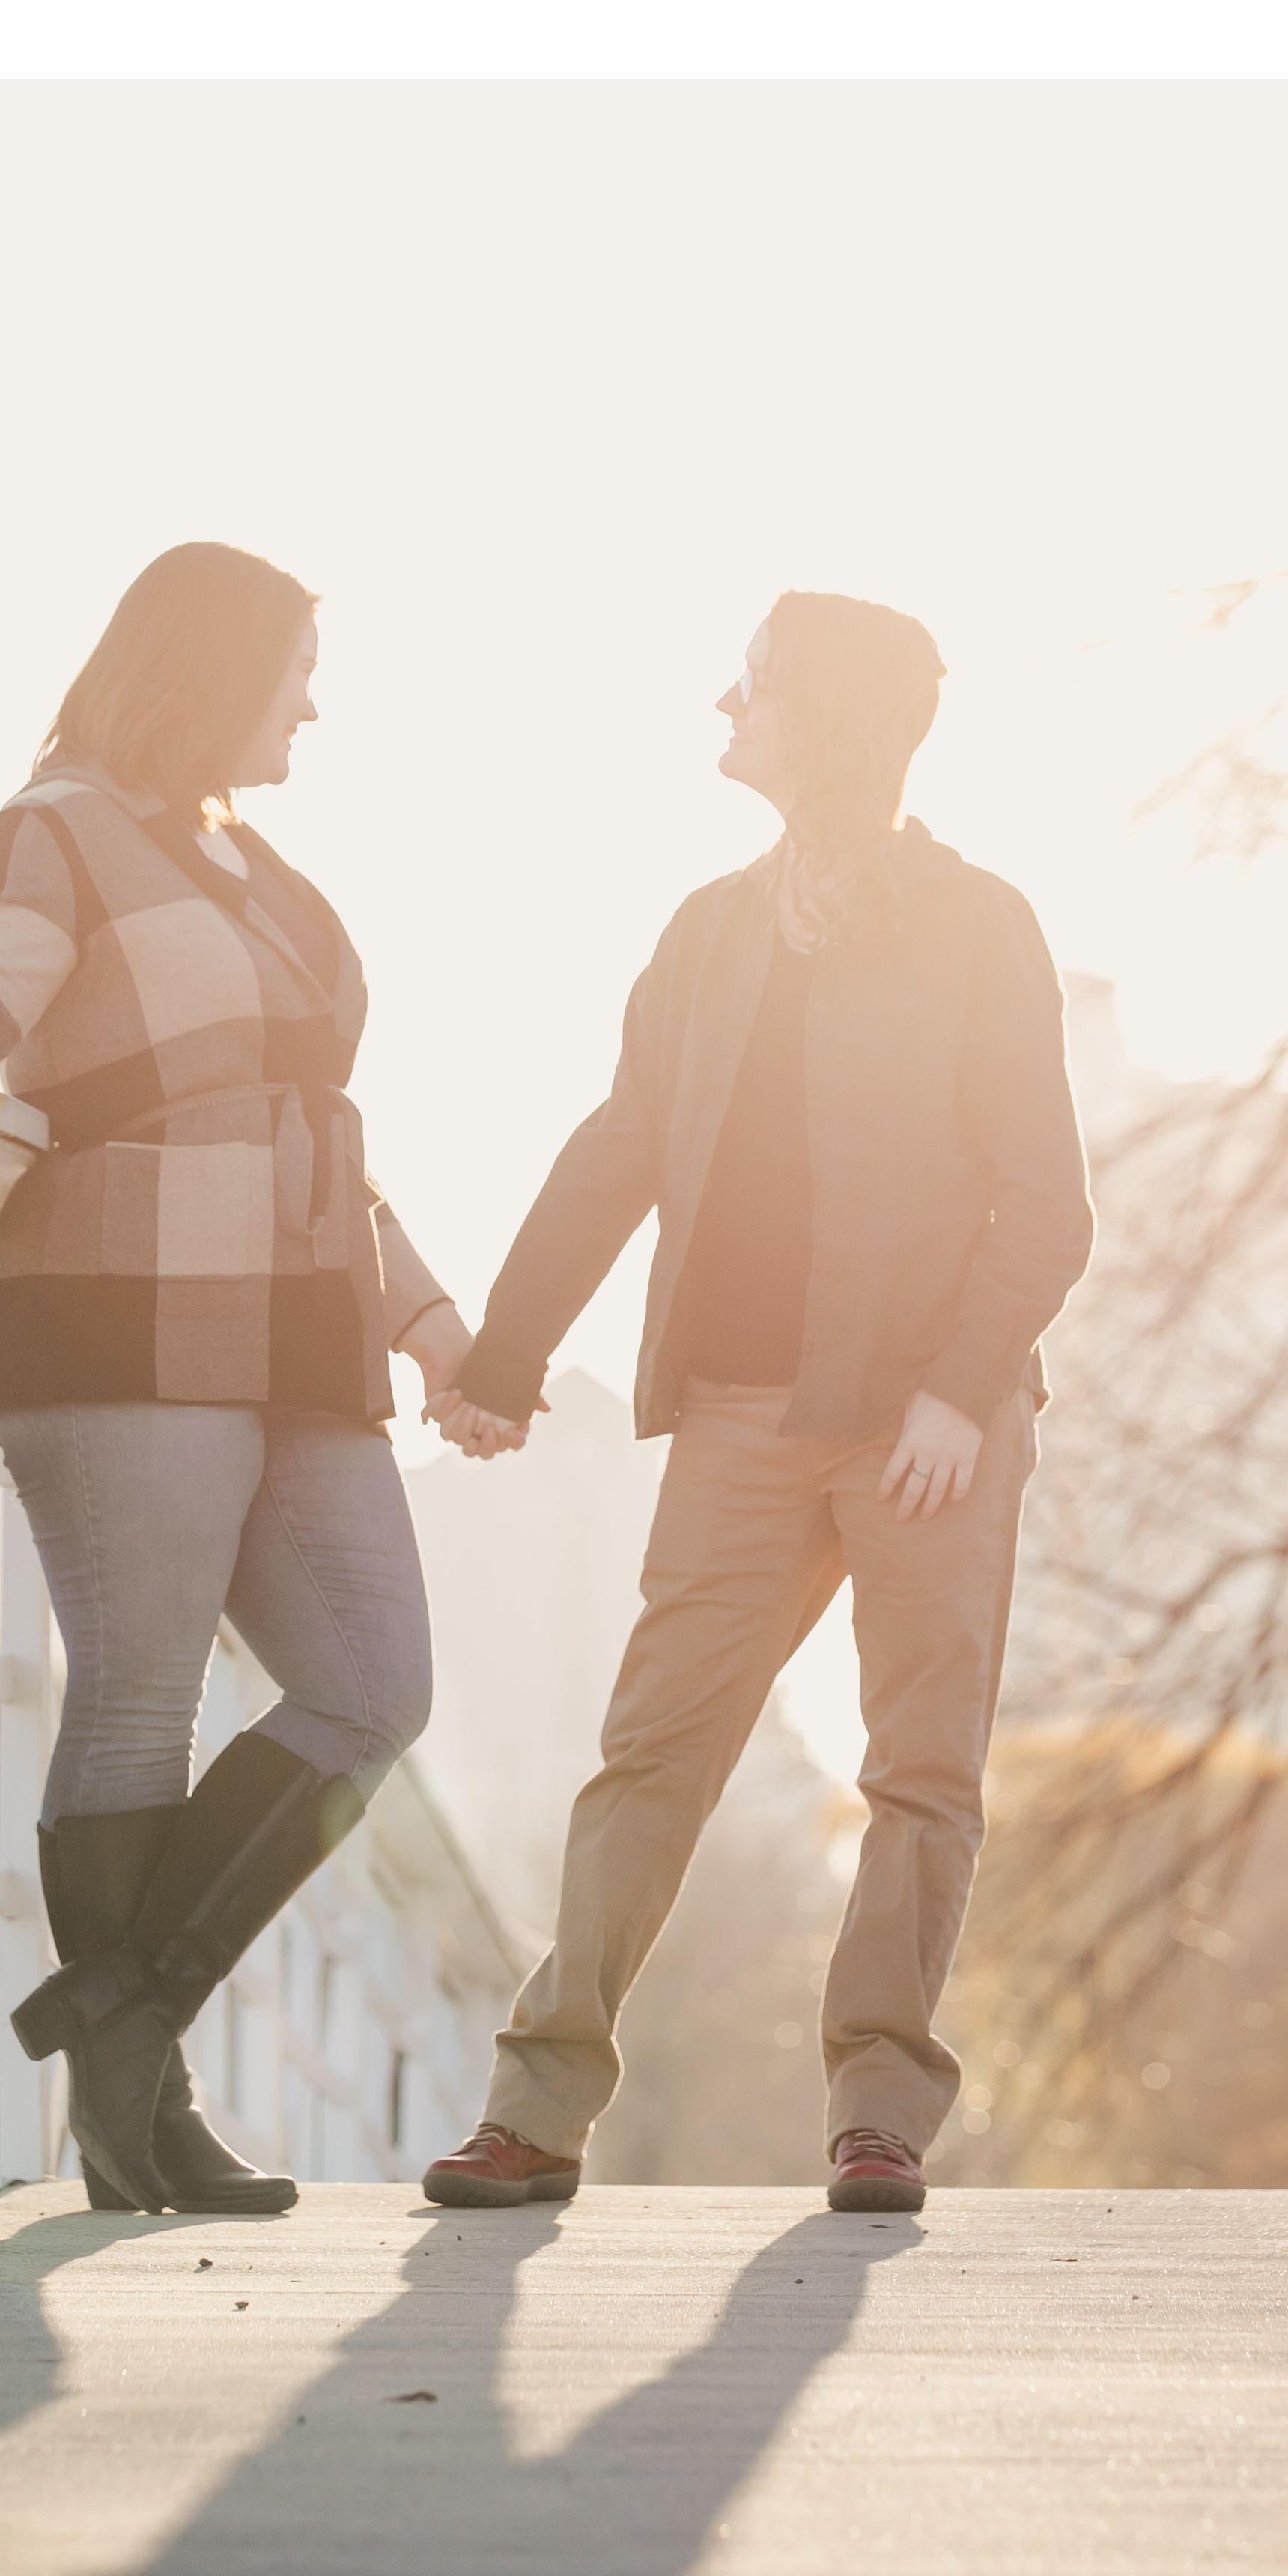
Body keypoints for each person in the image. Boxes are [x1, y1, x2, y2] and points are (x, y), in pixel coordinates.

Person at [422, 591, 1095, 2216]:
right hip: (737, 1420)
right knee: (651, 1754)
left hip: (930, 1435)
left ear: (826, 716)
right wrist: (506, 1361)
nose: (720, 706)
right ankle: (538, 2109)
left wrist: (954, 1392)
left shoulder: (979, 923)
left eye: (753, 686)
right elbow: (622, 1148)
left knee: (918, 1771)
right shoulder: (710, 931)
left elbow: (1048, 1202)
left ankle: (878, 2110)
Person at [0, 543, 464, 2215]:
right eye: (293, 664)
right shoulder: (51, 827)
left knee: (372, 1681)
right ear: (210, 666)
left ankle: (125, 2012)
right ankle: (144, 2108)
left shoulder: (247, 864)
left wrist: (429, 1325)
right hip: (125, 1302)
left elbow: (318, 1136)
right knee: (141, 1693)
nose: (312, 700)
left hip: (300, 1332)